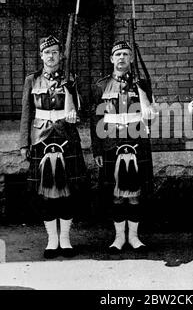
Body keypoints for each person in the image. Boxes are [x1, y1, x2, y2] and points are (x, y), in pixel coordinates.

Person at [20, 35, 88, 259]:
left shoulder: (71, 79)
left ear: (61, 55)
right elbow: (26, 113)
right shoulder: (32, 80)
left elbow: (79, 110)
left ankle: (66, 239)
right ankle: (52, 240)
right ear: (41, 55)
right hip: (41, 139)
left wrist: (69, 88)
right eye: (47, 52)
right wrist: (24, 143)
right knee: (46, 194)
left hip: (66, 138)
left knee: (68, 192)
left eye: (55, 52)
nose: (51, 56)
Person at [90, 41, 156, 252]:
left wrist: (143, 93)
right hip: (111, 144)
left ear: (131, 59)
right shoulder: (101, 86)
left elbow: (151, 117)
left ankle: (135, 238)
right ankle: (119, 238)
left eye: (126, 54)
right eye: (118, 54)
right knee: (116, 195)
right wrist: (97, 149)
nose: (121, 58)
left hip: (136, 143)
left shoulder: (142, 83)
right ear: (111, 59)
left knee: (136, 194)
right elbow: (96, 120)